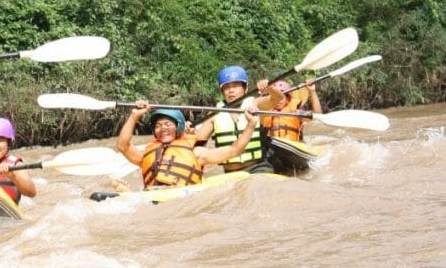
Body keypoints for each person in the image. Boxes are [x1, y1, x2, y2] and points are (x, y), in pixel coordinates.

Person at [117, 100, 259, 189]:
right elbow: (123, 146)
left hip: (178, 195)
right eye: (158, 126)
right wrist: (134, 116)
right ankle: (124, 191)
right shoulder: (147, 154)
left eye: (167, 124)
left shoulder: (196, 153)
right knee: (117, 185)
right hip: (151, 194)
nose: (163, 129)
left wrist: (251, 124)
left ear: (178, 127)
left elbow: (234, 150)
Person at [192, 65, 272, 174]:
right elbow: (196, 141)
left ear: (245, 88)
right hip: (230, 172)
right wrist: (185, 131)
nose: (231, 91)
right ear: (222, 91)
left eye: (235, 86)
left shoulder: (255, 103)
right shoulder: (214, 114)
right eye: (226, 87)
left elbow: (277, 98)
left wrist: (270, 88)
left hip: (258, 167)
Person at [254, 78, 322, 142]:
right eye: (276, 97)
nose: (279, 101)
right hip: (269, 149)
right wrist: (265, 86)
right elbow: (260, 106)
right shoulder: (264, 111)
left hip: (290, 150)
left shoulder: (295, 111)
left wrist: (312, 91)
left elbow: (317, 116)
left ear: (288, 98)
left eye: (282, 96)